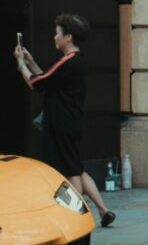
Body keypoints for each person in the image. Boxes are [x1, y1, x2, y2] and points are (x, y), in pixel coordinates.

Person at [13, 14, 115, 227]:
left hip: (61, 125)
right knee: (76, 167)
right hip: (71, 122)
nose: (54, 37)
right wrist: (31, 61)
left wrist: (21, 64)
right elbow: (48, 80)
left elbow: (37, 83)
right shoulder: (76, 61)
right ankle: (104, 211)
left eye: (57, 33)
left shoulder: (68, 62)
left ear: (68, 37)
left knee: (71, 171)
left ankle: (76, 216)